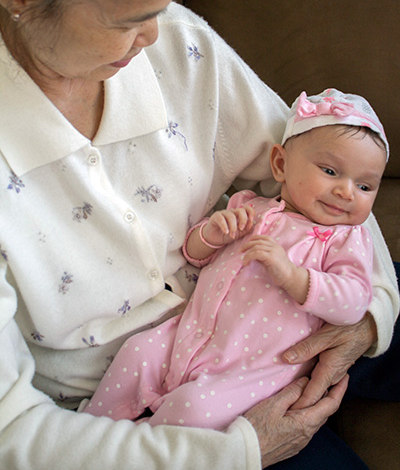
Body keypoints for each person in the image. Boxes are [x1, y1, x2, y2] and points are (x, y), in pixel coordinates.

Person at [0, 0, 398, 470]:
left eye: (165, 5)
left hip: (275, 311)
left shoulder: (176, 48)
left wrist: (371, 317)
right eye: (132, 16)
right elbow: (13, 433)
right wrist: (234, 454)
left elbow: (324, 168)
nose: (156, 36)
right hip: (147, 415)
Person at [82, 88, 387, 430]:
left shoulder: (345, 238)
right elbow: (193, 256)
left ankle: (139, 455)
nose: (347, 191)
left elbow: (354, 302)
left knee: (191, 410)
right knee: (137, 353)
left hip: (252, 369)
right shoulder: (248, 207)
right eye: (330, 171)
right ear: (281, 164)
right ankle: (86, 434)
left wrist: (293, 276)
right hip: (189, 334)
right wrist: (210, 235)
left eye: (365, 187)